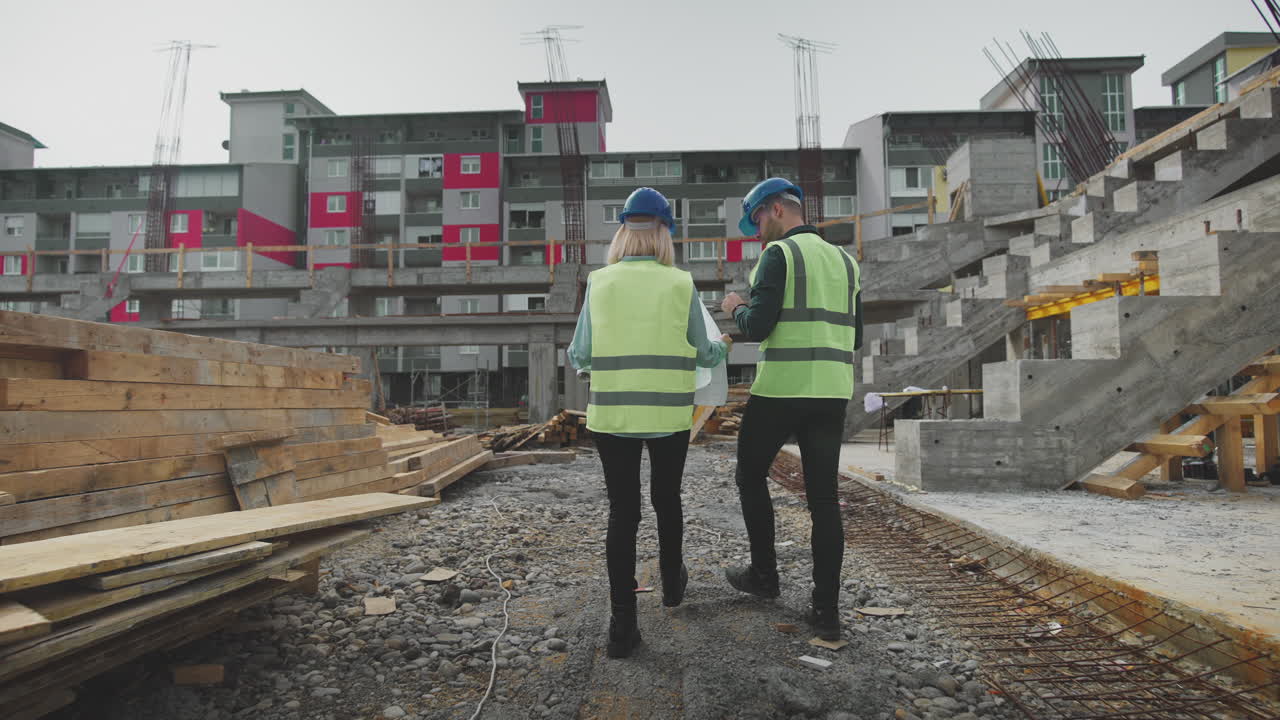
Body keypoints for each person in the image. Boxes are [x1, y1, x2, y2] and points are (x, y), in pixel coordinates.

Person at [568, 187, 731, 658]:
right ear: (665, 234)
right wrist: (723, 344)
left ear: (622, 231)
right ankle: (673, 584)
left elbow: (580, 353)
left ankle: (622, 626)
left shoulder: (600, 282)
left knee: (624, 512)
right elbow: (704, 351)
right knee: (667, 498)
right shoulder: (680, 284)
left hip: (614, 414)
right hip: (667, 414)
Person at [718, 177, 862, 641]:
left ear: (777, 209)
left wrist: (736, 307)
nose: (757, 229)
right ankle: (826, 613)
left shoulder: (778, 255)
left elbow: (758, 326)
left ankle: (765, 575)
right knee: (823, 500)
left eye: (758, 218)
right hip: (831, 391)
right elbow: (855, 336)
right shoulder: (846, 262)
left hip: (782, 389)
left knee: (749, 474)